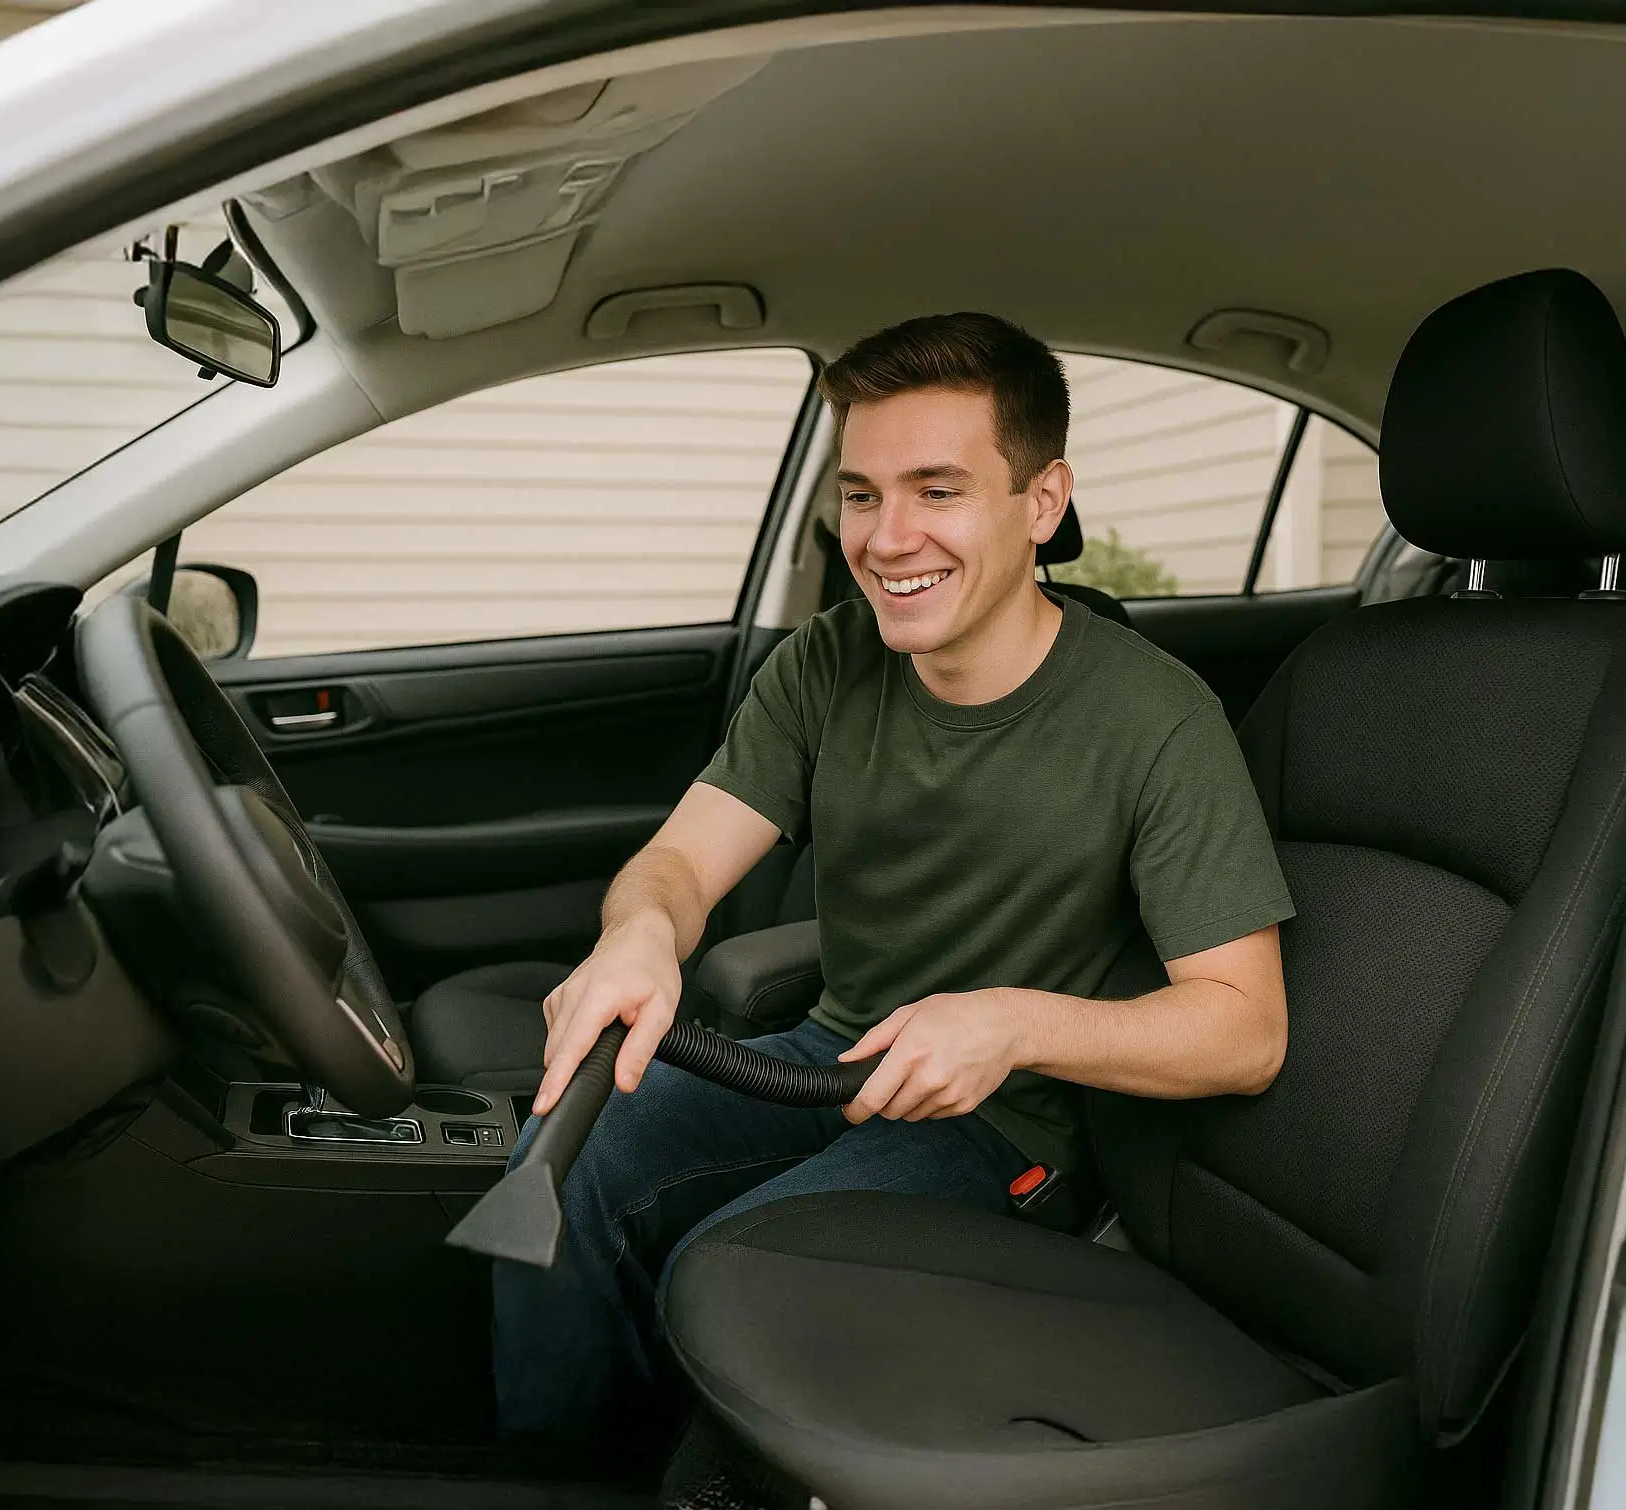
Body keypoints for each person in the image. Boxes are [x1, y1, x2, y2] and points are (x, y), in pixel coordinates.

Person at [491, 313, 1294, 1453]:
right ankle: (570, 1467)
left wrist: (1010, 1025)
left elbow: (1245, 1029)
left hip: (999, 1124)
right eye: (862, 493)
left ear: (1043, 502)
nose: (887, 536)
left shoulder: (1160, 721)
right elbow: (678, 863)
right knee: (566, 1153)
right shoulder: (826, 663)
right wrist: (637, 936)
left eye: (937, 489)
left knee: (741, 1269)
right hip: (832, 1053)